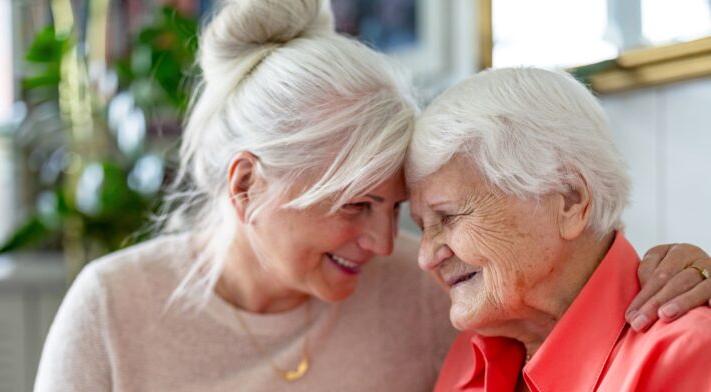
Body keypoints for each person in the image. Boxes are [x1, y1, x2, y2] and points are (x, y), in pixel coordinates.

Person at [35, 1, 711, 390]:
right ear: (246, 185)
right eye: (355, 205)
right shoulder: (111, 311)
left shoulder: (436, 301)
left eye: (396, 210)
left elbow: (583, 280)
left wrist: (683, 268)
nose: (393, 246)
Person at [407, 67, 711, 392]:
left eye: (449, 216)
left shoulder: (686, 353)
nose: (425, 256)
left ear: (569, 200)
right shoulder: (469, 358)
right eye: (422, 226)